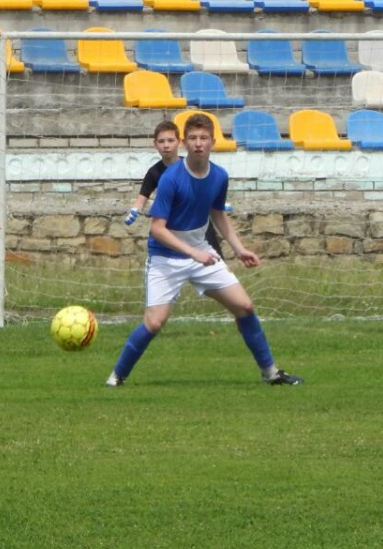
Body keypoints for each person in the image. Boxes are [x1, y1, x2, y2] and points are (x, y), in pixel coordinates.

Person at [107, 113, 303, 387]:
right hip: (166, 257)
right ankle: (117, 377)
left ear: (213, 142)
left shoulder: (220, 176)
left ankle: (271, 373)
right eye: (193, 138)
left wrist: (239, 248)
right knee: (154, 323)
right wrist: (193, 253)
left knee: (244, 306)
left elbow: (217, 213)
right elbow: (157, 230)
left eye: (204, 138)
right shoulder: (170, 179)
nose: (198, 143)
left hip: (200, 252)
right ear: (185, 143)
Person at [124, 120, 222, 256]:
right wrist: (135, 210)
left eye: (170, 140)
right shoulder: (154, 172)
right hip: (173, 229)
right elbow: (141, 199)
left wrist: (217, 203)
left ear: (179, 142)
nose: (166, 145)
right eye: (161, 141)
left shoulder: (191, 165)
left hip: (200, 226)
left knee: (215, 263)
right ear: (155, 144)